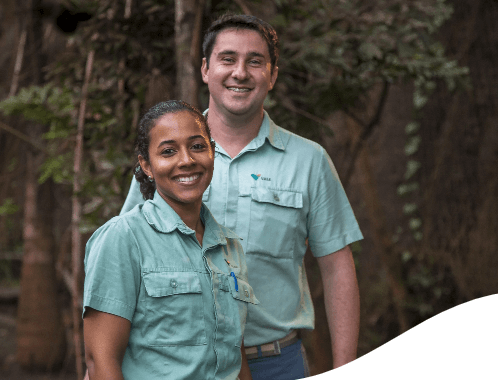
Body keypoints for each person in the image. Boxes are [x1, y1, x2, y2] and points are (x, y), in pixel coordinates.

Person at [121, 14, 363, 380]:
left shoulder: (309, 161)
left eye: (255, 61)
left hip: (276, 360)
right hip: (177, 362)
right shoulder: (167, 157)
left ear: (273, 74)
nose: (240, 72)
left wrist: (347, 371)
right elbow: (126, 258)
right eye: (227, 59)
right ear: (205, 69)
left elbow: (337, 266)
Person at [83, 100, 257, 380]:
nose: (186, 160)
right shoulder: (123, 238)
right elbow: (101, 360)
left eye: (198, 146)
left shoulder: (229, 246)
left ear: (213, 153)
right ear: (146, 165)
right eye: (168, 151)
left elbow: (234, 355)